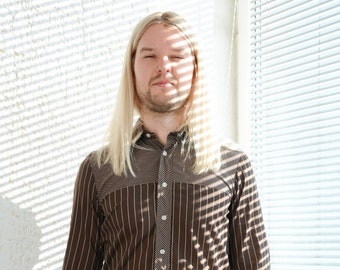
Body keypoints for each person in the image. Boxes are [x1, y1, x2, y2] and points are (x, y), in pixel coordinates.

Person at [63, 11, 270, 270]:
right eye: (150, 56)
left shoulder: (234, 164)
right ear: (132, 68)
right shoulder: (97, 169)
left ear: (195, 69)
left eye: (177, 57)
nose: (164, 66)